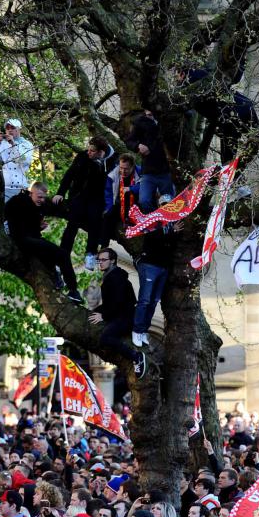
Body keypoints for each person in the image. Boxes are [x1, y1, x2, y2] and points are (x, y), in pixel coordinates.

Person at [4, 181, 82, 303]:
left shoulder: (41, 207)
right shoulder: (18, 201)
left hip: (34, 239)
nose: (41, 200)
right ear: (31, 193)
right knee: (61, 254)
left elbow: (32, 225)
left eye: (43, 198)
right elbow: (7, 214)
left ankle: (66, 285)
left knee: (60, 255)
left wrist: (39, 227)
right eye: (39, 197)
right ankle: (72, 289)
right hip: (21, 239)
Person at [52, 135, 116, 271]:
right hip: (79, 194)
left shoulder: (112, 163)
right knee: (72, 224)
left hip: (98, 198)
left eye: (92, 151)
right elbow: (69, 175)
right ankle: (62, 256)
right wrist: (60, 193)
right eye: (88, 150)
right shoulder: (83, 156)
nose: (88, 153)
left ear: (101, 152)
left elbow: (114, 186)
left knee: (95, 222)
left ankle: (90, 255)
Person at [88, 247, 146, 378]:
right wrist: (97, 311)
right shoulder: (111, 276)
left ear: (112, 261)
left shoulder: (116, 277)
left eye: (104, 260)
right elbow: (110, 302)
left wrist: (104, 315)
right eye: (99, 260)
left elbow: (119, 301)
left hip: (126, 316)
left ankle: (136, 357)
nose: (100, 263)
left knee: (106, 338)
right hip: (120, 314)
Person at [131, 199, 181, 347]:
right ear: (159, 206)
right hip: (150, 265)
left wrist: (173, 232)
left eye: (169, 205)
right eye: (163, 204)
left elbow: (169, 245)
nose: (166, 207)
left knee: (153, 302)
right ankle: (137, 330)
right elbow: (156, 240)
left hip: (163, 267)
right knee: (145, 300)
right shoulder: (153, 219)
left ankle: (143, 330)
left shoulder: (171, 223)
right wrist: (172, 232)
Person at [125, 109, 174, 213]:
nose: (149, 117)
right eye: (148, 115)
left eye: (151, 115)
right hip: (148, 171)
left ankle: (168, 225)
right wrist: (138, 146)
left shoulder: (167, 121)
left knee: (168, 203)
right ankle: (155, 221)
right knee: (144, 201)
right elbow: (129, 141)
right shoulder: (141, 123)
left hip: (165, 171)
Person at [100, 152, 142, 247]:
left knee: (127, 193)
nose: (123, 171)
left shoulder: (140, 172)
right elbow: (108, 193)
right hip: (119, 204)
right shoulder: (113, 174)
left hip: (135, 205)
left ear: (132, 167)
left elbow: (145, 186)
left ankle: (128, 221)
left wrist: (131, 189)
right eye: (121, 168)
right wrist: (108, 207)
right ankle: (103, 247)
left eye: (126, 169)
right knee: (107, 216)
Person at [0, 117, 33, 201]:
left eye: (12, 128)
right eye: (7, 128)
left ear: (19, 129)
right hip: (4, 186)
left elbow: (23, 161)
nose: (9, 130)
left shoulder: (27, 144)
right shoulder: (2, 144)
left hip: (21, 187)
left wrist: (13, 144)